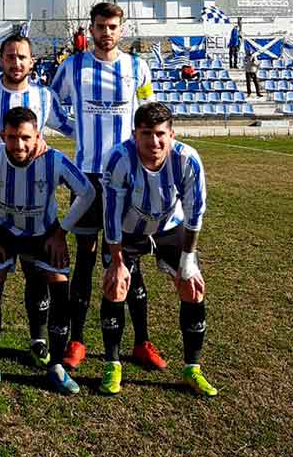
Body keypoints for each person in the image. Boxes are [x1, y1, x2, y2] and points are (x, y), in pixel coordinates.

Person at [50, 2, 162, 371]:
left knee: (128, 258)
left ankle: (141, 341)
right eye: (100, 26)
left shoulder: (136, 67)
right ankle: (77, 341)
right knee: (85, 256)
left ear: (122, 29)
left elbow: (149, 111)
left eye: (113, 26)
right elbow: (52, 105)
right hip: (88, 178)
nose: (107, 32)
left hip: (129, 177)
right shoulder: (74, 66)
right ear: (91, 29)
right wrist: (76, 131)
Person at [0, 107, 94, 396]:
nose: (18, 145)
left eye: (25, 138)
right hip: (1, 232)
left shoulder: (53, 160)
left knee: (58, 288)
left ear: (37, 137)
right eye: (12, 137)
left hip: (43, 233)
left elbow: (87, 192)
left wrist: (62, 231)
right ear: (2, 136)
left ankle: (56, 365)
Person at [0, 33, 75, 368]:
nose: (16, 63)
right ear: (0, 59)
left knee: (36, 273)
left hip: (35, 202)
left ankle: (38, 337)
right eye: (10, 56)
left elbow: (70, 128)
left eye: (22, 57)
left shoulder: (44, 95)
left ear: (31, 61)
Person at [99, 102, 217, 397]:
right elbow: (110, 215)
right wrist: (117, 261)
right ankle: (112, 364)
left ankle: (193, 368)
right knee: (116, 286)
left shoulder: (187, 159)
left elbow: (195, 213)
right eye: (146, 133)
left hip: (169, 227)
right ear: (134, 134)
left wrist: (189, 259)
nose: (154, 141)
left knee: (192, 287)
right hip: (128, 231)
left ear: (172, 134)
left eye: (161, 134)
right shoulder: (118, 159)